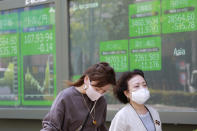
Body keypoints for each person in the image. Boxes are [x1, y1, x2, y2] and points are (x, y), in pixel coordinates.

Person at [41, 62, 116, 131]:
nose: (99, 94)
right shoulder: (66, 97)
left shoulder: (101, 102)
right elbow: (51, 126)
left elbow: (100, 127)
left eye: (104, 91)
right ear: (86, 79)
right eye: (97, 89)